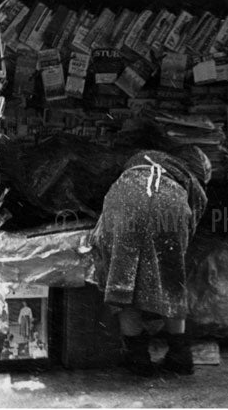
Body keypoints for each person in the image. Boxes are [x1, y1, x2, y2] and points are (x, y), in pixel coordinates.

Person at [90, 145, 211, 377]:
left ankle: (138, 359)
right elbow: (192, 223)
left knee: (123, 276)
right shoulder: (189, 180)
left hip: (124, 202)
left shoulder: (141, 159)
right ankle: (180, 356)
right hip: (170, 205)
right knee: (172, 279)